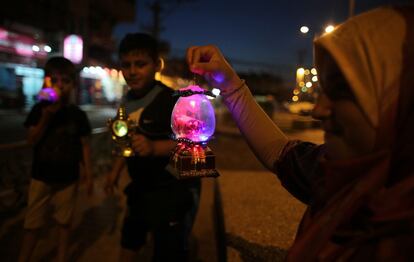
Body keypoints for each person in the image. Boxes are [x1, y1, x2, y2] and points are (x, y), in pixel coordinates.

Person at [187, 5, 414, 261]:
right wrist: (228, 82)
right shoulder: (334, 174)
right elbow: (279, 152)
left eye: (342, 91)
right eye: (322, 90)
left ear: (402, 102)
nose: (318, 110)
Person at [104, 33, 201, 261]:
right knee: (129, 242)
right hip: (139, 189)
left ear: (157, 65)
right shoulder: (126, 101)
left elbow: (193, 144)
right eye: (126, 65)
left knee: (167, 251)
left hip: (170, 191)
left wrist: (155, 147)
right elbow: (124, 141)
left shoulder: (171, 101)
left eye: (140, 64)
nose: (133, 71)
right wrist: (114, 172)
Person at [18, 57, 93, 262]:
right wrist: (45, 116)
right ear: (46, 82)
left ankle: (61, 257)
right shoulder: (38, 109)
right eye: (55, 80)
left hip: (68, 178)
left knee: (64, 223)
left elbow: (84, 145)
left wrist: (88, 174)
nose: (61, 85)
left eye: (66, 81)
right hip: (40, 176)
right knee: (32, 224)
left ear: (73, 85)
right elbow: (31, 140)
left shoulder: (77, 115)